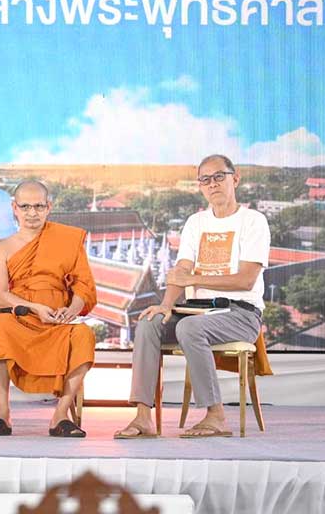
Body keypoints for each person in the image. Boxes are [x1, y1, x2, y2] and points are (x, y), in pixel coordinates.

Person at [115, 154, 270, 439]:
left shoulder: (253, 221)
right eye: (205, 180)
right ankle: (142, 416)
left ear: (235, 179)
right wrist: (165, 305)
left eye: (219, 177)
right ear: (200, 186)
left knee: (189, 328)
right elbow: (181, 270)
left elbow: (246, 279)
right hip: (196, 310)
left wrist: (194, 279)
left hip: (241, 313)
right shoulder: (196, 222)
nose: (213, 184)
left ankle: (216, 416)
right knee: (148, 323)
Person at [0, 180, 97, 437]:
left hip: (58, 320)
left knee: (84, 336)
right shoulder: (2, 249)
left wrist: (72, 309)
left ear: (48, 207)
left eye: (38, 206)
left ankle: (60, 415)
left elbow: (84, 286)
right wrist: (35, 308)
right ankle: (2, 415)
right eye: (25, 207)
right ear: (15, 208)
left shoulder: (67, 240)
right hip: (21, 318)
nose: (32, 213)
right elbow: (0, 296)